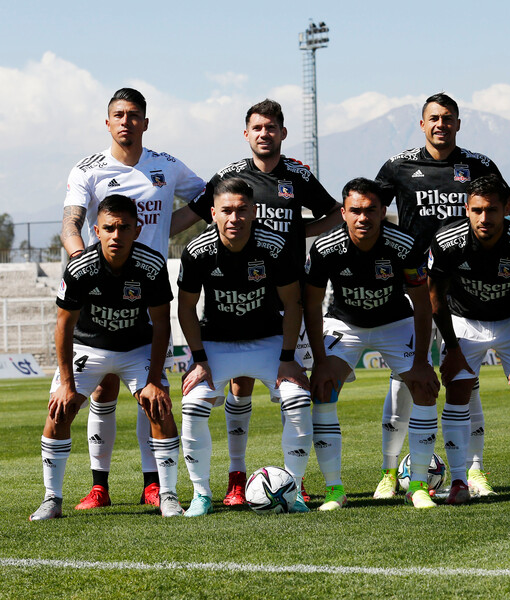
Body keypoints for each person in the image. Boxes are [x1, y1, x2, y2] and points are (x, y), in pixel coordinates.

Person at [372, 93, 510, 499]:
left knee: (466, 386)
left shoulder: (480, 166)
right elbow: (368, 208)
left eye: (448, 118)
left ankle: (474, 471)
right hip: (417, 288)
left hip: (470, 292)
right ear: (422, 124)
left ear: (458, 123)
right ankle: (387, 471)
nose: (441, 124)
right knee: (404, 381)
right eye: (433, 118)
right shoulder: (398, 166)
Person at [172, 99, 341, 507]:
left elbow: (336, 214)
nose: (264, 133)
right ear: (246, 134)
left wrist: (299, 233)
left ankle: (293, 485)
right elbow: (191, 215)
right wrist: (148, 235)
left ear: (282, 133)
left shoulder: (298, 175)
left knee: (295, 390)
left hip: (282, 299)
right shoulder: (228, 179)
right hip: (224, 327)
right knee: (235, 387)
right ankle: (224, 483)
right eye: (257, 127)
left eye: (271, 127)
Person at [60, 87, 205, 509]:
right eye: (118, 115)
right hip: (101, 290)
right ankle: (99, 486)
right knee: (103, 390)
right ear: (108, 123)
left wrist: (163, 234)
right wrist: (83, 264)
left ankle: (153, 484)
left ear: (145, 121)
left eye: (134, 114)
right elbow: (71, 223)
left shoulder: (166, 166)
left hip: (151, 288)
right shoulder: (88, 169)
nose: (126, 121)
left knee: (151, 389)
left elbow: (203, 200)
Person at [31, 195, 183, 520]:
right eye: (110, 228)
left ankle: (168, 494)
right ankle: (51, 499)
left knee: (159, 405)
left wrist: (155, 381)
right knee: (60, 409)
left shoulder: (152, 265)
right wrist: (66, 385)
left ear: (137, 230)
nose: (117, 235)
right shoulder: (80, 267)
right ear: (96, 230)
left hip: (135, 348)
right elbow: (63, 325)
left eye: (124, 228)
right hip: (88, 347)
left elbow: (161, 325)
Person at [177, 178, 311, 517]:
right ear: (213, 213)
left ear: (253, 212)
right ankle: (201, 494)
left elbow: (292, 303)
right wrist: (199, 360)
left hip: (268, 342)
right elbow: (185, 308)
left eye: (241, 210)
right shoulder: (197, 250)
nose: (234, 218)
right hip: (216, 345)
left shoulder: (274, 246)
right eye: (226, 211)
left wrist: (288, 358)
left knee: (297, 398)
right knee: (192, 405)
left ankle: (292, 490)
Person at [304, 178, 440, 509]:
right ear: (343, 213)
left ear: (382, 212)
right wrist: (320, 361)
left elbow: (422, 304)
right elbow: (310, 305)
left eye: (370, 210)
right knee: (322, 387)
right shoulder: (324, 248)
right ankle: (335, 490)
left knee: (423, 386)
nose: (363, 218)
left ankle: (418, 485)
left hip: (395, 322)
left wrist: (422, 360)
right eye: (355, 211)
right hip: (345, 324)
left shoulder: (404, 245)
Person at [429, 175, 510, 504]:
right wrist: (451, 348)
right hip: (464, 322)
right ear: (466, 209)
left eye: (492, 210)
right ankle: (457, 482)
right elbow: (435, 296)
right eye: (477, 210)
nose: (485, 218)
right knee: (457, 391)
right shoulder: (447, 241)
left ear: (506, 209)